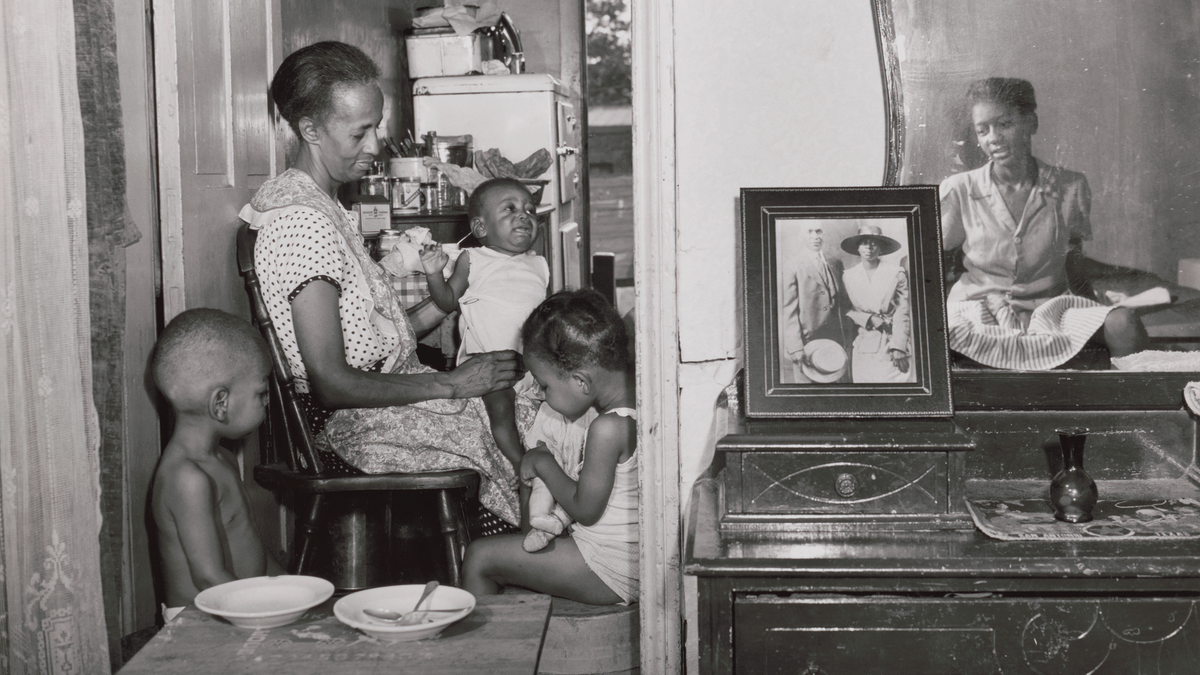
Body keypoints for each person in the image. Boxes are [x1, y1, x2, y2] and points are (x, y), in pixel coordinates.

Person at [238, 41, 530, 528]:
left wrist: (447, 302)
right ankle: (522, 557)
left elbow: (369, 338)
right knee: (518, 429)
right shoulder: (300, 224)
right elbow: (333, 383)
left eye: (377, 126)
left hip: (379, 398)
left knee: (527, 399)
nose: (374, 146)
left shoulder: (323, 204)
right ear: (309, 130)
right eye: (360, 133)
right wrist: (452, 382)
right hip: (350, 425)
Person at [940, 77, 1148, 369]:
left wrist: (1097, 306)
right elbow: (935, 260)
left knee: (1124, 321)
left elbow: (1073, 262)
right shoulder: (960, 188)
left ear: (1031, 123)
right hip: (978, 308)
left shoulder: (1071, 186)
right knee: (935, 337)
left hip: (1047, 309)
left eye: (1004, 124)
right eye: (983, 130)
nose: (993, 138)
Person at [462, 289, 639, 605]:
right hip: (627, 556)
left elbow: (585, 510)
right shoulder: (637, 402)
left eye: (545, 386)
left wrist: (543, 462)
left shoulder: (607, 428)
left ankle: (491, 652)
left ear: (581, 381)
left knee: (479, 556)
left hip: (609, 566)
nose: (543, 395)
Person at [149, 308, 285, 623]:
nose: (266, 403)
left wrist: (292, 588)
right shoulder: (187, 478)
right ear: (220, 404)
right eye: (261, 394)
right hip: (199, 623)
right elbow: (209, 578)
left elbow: (250, 546)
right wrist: (264, 618)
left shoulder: (220, 458)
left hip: (234, 607)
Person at [423, 177, 550, 481]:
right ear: (481, 228)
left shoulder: (539, 264)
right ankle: (522, 463)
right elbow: (447, 300)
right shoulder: (474, 259)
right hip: (487, 366)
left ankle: (551, 461)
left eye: (530, 210)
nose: (524, 215)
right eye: (510, 209)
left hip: (531, 366)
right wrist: (433, 273)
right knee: (502, 408)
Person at [840, 224, 914, 383]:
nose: (869, 247)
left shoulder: (896, 273)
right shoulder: (848, 276)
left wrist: (899, 346)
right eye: (864, 242)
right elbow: (846, 309)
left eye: (874, 242)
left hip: (892, 340)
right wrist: (868, 319)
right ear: (858, 248)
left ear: (881, 247)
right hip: (864, 342)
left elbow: (903, 310)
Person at [780, 221, 852, 382]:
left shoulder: (835, 263)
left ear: (823, 235)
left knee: (836, 396)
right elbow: (788, 310)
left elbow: (843, 303)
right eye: (809, 232)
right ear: (800, 236)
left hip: (836, 342)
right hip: (807, 345)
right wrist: (795, 348)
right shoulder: (792, 266)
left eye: (819, 232)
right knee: (809, 398)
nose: (815, 236)